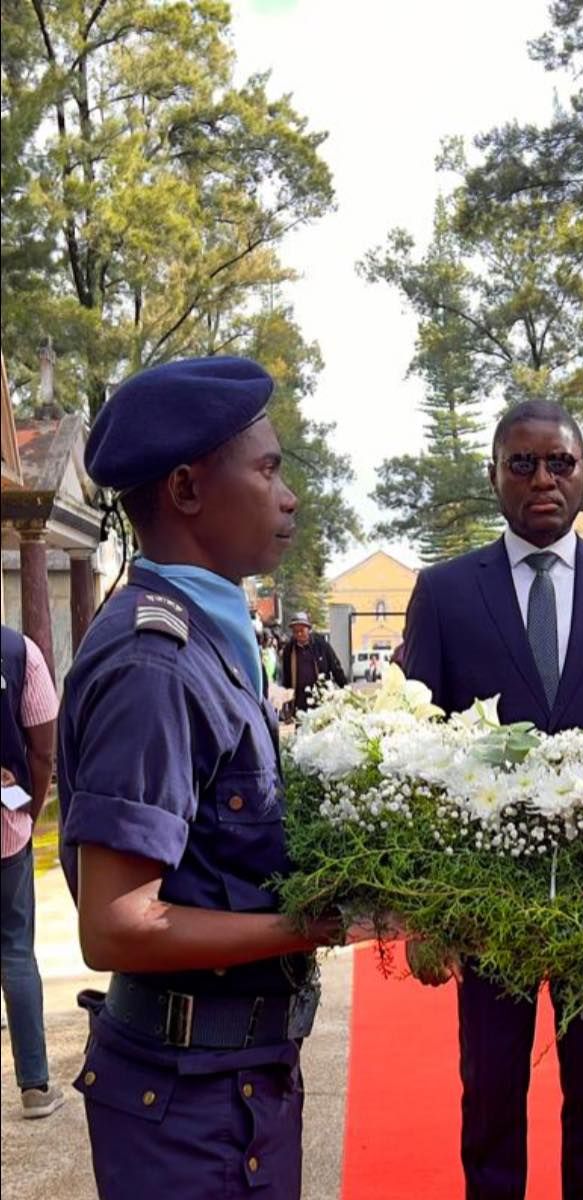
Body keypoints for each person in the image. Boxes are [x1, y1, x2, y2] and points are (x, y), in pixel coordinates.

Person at [57, 357, 353, 1200]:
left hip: (233, 1086)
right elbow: (116, 927)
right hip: (189, 1110)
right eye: (268, 470)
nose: (288, 497)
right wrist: (318, 925)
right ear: (187, 489)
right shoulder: (157, 664)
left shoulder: (207, 640)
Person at [400, 398, 583, 1200]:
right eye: (522, 463)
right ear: (493, 474)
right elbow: (412, 750)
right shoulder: (444, 592)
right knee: (491, 1099)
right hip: (487, 901)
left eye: (559, 463)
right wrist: (428, 905)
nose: (542, 480)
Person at [1, 626, 63, 1119]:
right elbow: (43, 749)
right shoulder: (19, 651)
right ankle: (35, 1086)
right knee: (16, 953)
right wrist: (29, 809)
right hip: (5, 828)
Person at [280, 612, 346, 714]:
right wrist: (286, 702)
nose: (299, 634)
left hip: (322, 699)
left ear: (308, 629)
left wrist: (345, 689)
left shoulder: (321, 645)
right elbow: (286, 677)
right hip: (300, 702)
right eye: (295, 631)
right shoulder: (289, 650)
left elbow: (335, 668)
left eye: (302, 631)